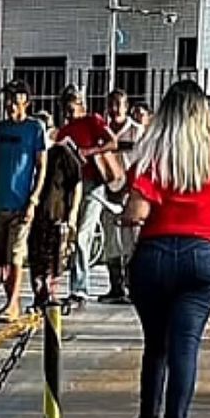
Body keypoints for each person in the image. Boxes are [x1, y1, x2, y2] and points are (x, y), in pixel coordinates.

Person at [121, 80, 210, 418]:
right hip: (204, 256)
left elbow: (136, 212)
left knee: (155, 344)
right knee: (185, 345)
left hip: (154, 256)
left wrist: (127, 220)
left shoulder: (152, 153)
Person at [0, 80, 50, 322]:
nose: (10, 105)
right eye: (8, 99)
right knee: (2, 256)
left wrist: (33, 199)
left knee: (16, 254)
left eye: (15, 99)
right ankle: (9, 302)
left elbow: (41, 166)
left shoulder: (35, 129)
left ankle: (13, 303)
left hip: (22, 202)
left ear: (26, 102)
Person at [55, 86, 119, 309]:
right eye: (66, 109)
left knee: (84, 236)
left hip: (94, 183)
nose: (69, 113)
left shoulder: (93, 121)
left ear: (80, 105)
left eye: (72, 108)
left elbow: (113, 142)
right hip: (73, 185)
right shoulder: (64, 131)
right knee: (73, 235)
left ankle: (79, 289)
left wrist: (89, 151)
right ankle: (74, 286)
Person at [27, 136, 86, 309]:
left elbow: (76, 183)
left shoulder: (62, 153)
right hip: (35, 214)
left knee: (55, 258)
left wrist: (73, 214)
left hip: (56, 213)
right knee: (36, 257)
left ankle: (51, 293)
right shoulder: (30, 152)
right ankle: (39, 295)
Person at [99, 89, 145, 304]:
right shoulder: (103, 131)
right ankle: (115, 286)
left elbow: (144, 163)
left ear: (127, 107)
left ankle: (134, 286)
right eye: (111, 104)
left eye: (119, 104)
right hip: (108, 192)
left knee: (132, 241)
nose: (115, 109)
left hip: (130, 193)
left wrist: (132, 188)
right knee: (111, 242)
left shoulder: (137, 132)